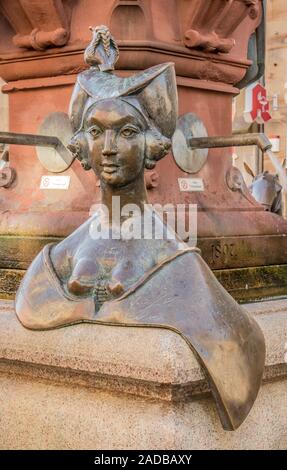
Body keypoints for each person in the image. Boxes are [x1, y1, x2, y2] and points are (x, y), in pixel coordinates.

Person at [15, 26, 265, 431]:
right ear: (81, 145)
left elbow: (238, 347)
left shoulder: (178, 263)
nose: (109, 148)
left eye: (126, 132)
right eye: (95, 132)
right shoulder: (58, 258)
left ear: (153, 145)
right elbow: (30, 306)